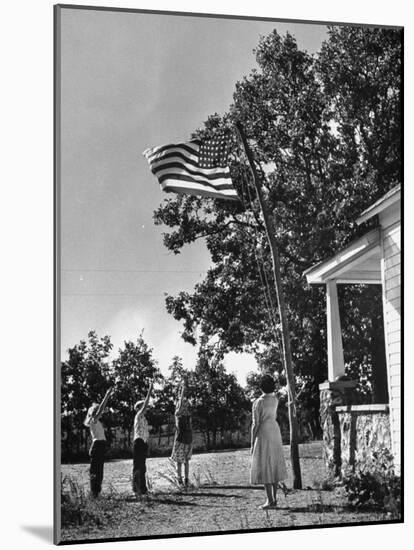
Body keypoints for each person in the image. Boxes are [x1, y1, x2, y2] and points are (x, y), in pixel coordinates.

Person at [250, 373, 288, 509]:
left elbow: (255, 423)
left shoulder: (258, 402)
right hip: (274, 429)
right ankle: (274, 499)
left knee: (265, 464)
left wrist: (252, 441)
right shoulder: (275, 399)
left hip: (264, 431)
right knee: (274, 462)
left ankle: (270, 500)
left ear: (261, 387)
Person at [84, 387, 113, 498]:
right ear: (94, 412)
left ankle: (96, 493)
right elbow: (101, 408)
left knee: (99, 471)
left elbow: (101, 409)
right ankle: (94, 493)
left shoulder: (97, 422)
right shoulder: (93, 420)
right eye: (97, 410)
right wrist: (107, 395)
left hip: (100, 446)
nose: (101, 412)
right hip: (97, 446)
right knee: (96, 472)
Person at [132, 380, 153, 499]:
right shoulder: (139, 415)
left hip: (143, 443)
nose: (146, 408)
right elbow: (146, 403)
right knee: (138, 467)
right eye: (143, 406)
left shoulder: (143, 418)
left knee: (142, 467)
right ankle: (136, 490)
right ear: (138, 408)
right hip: (139, 442)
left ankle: (142, 489)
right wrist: (150, 389)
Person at [171, 381, 193, 487]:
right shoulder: (185, 414)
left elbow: (180, 403)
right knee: (185, 461)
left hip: (181, 439)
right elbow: (180, 402)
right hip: (187, 439)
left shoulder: (179, 413)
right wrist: (182, 390)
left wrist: (182, 390)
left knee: (181, 462)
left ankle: (181, 480)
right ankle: (185, 480)